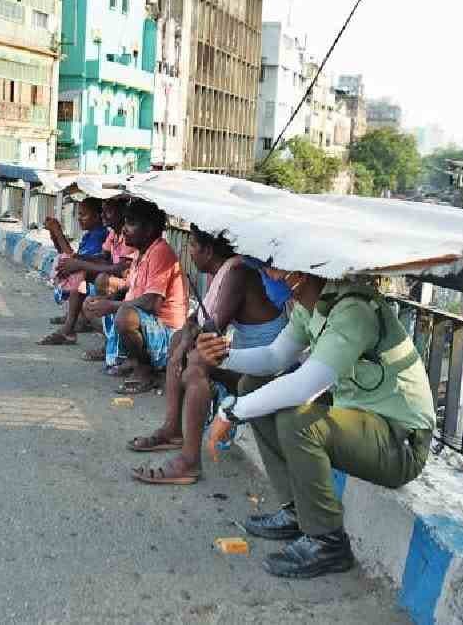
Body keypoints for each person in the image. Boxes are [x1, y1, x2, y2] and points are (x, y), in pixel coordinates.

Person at [194, 270, 435, 579]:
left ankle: (328, 541)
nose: (267, 275)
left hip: (400, 442)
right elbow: (273, 357)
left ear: (301, 272)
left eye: (274, 268)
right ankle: (296, 511)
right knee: (253, 385)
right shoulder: (312, 305)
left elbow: (306, 385)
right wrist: (223, 356)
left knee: (299, 422)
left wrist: (230, 413)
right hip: (363, 421)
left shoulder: (354, 310)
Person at [127, 227, 289, 485]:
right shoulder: (222, 273)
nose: (188, 252)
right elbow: (195, 320)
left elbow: (213, 329)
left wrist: (186, 344)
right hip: (252, 364)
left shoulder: (238, 274)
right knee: (181, 340)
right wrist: (183, 342)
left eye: (192, 246)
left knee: (195, 365)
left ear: (208, 250)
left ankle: (189, 462)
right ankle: (172, 429)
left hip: (266, 371)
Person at [83, 198, 187, 394]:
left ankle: (146, 370)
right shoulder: (143, 252)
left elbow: (152, 303)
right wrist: (106, 301)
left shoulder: (160, 252)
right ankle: (131, 358)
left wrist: (112, 306)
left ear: (148, 229)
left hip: (168, 333)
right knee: (91, 304)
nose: (124, 229)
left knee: (124, 316)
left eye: (131, 223)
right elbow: (129, 289)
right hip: (149, 324)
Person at [39, 197, 109, 345]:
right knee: (66, 265)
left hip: (97, 281)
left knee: (77, 275)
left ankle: (72, 325)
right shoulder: (89, 235)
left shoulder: (99, 235)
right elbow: (69, 255)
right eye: (79, 214)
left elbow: (76, 260)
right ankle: (74, 318)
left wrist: (59, 233)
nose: (79, 219)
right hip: (92, 277)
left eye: (83, 215)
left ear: (97, 217)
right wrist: (54, 235)